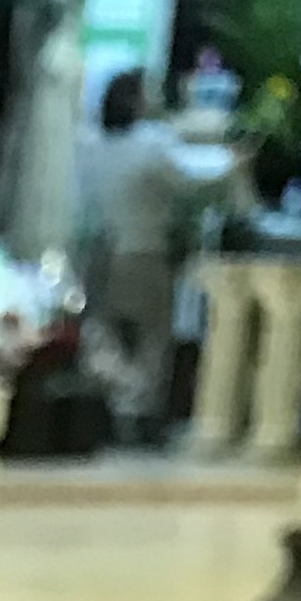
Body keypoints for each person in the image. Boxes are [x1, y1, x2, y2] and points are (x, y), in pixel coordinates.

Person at [88, 70, 192, 447]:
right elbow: (187, 180)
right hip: (148, 251)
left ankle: (113, 403)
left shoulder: (95, 146)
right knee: (153, 337)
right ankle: (138, 411)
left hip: (107, 251)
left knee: (110, 332)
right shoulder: (152, 144)